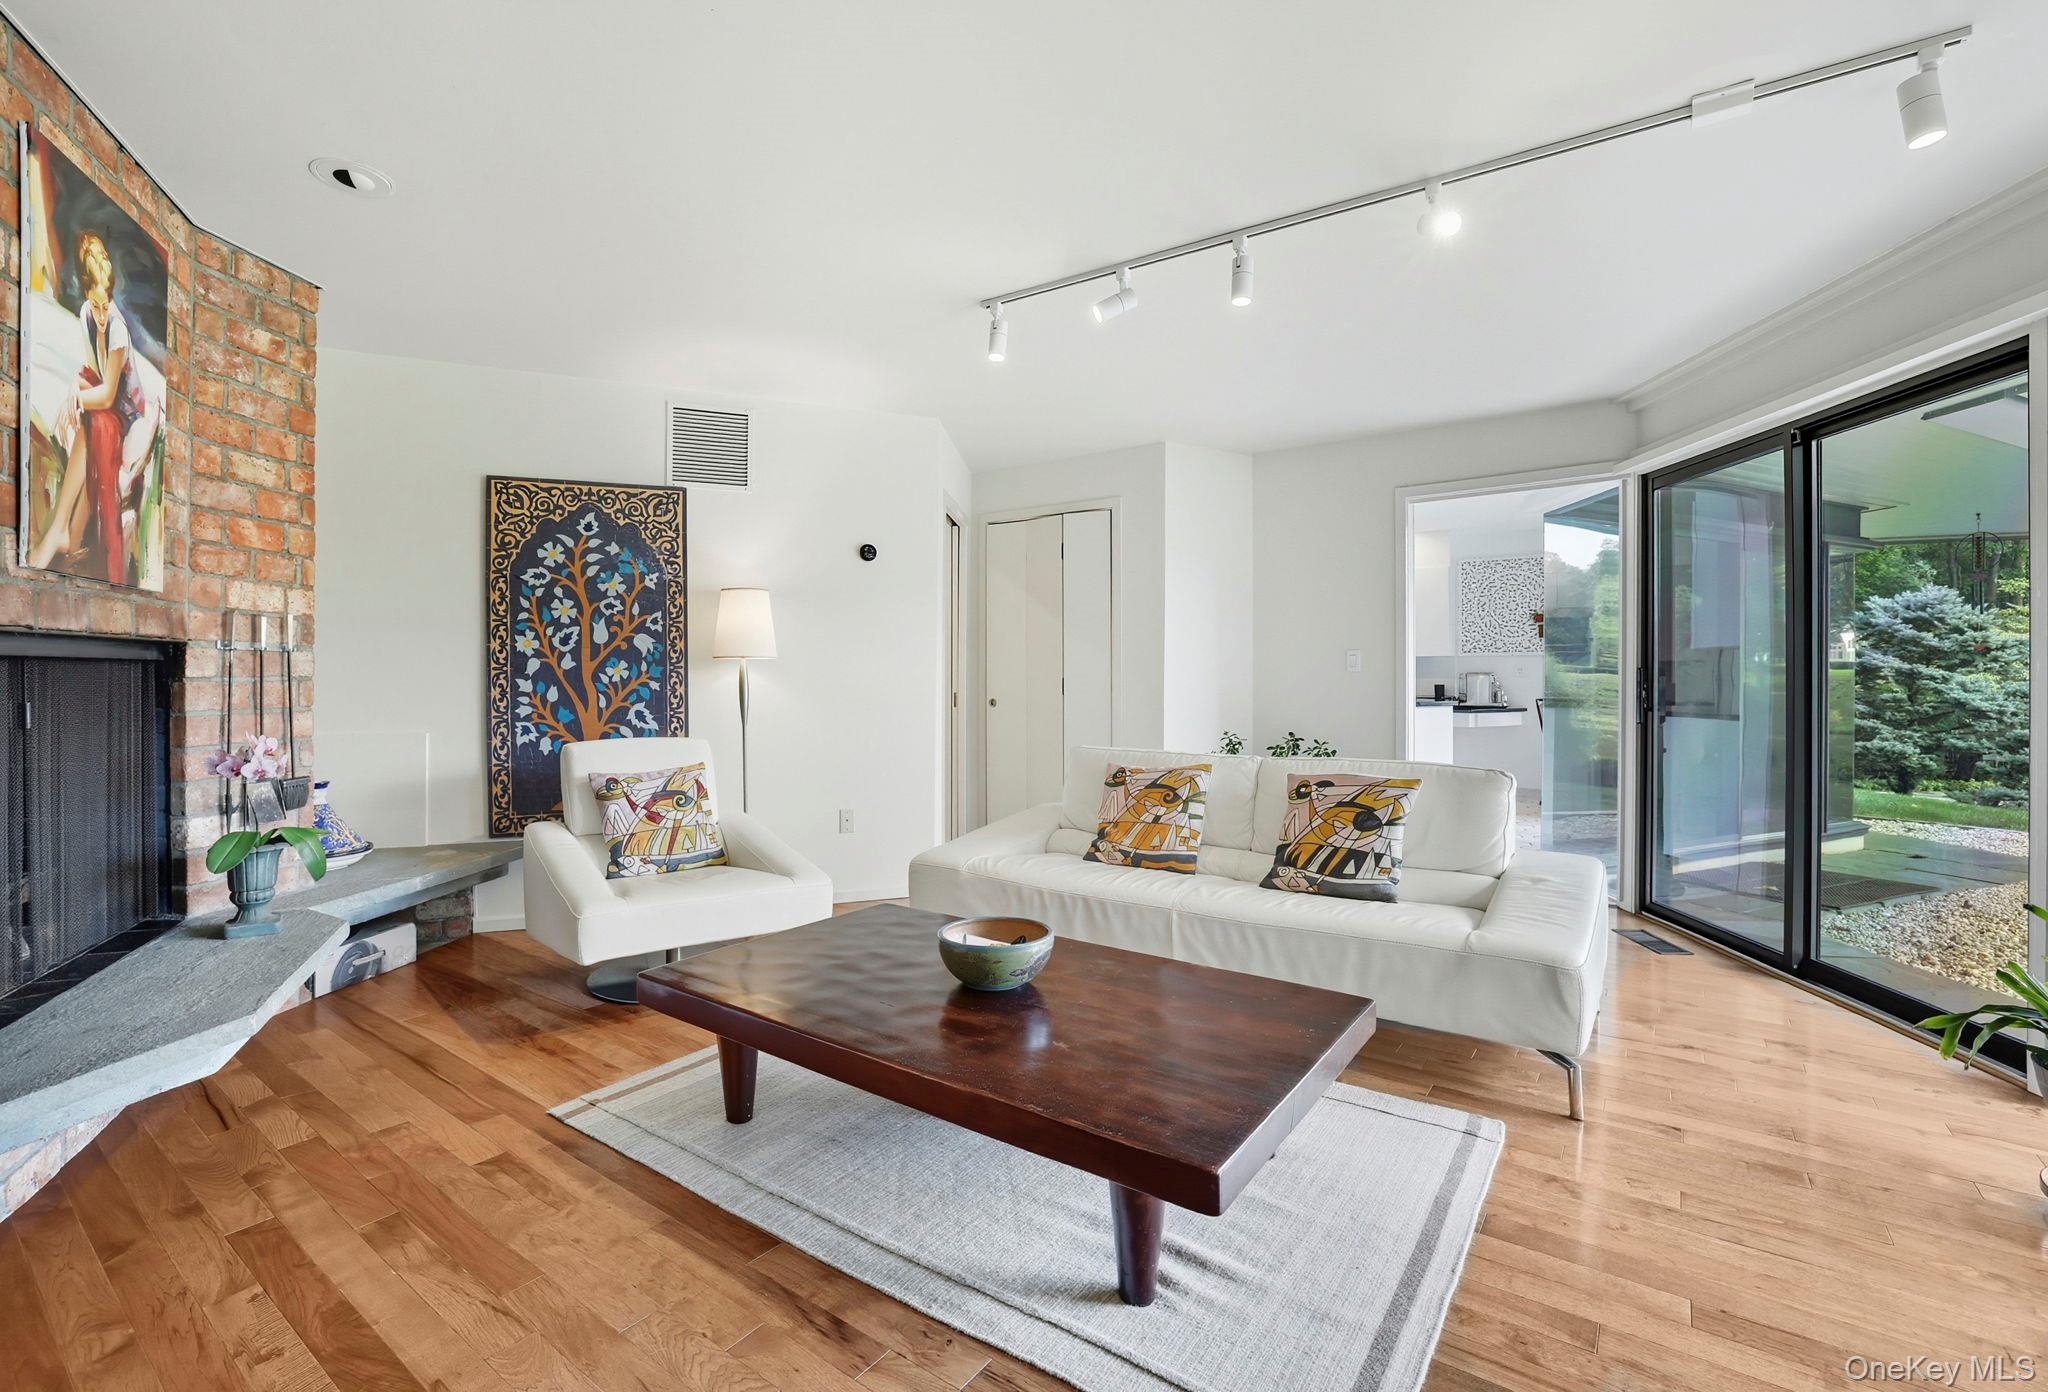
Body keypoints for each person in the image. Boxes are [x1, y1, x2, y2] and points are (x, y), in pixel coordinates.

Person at [29, 230, 162, 582]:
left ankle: (63, 529)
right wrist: (76, 386)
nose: (101, 315)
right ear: (88, 294)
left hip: (127, 414)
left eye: (105, 307)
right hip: (107, 402)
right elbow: (93, 371)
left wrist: (77, 397)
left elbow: (108, 395)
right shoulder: (87, 313)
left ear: (110, 297)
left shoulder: (117, 329)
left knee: (95, 419)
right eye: (96, 306)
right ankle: (66, 531)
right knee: (89, 419)